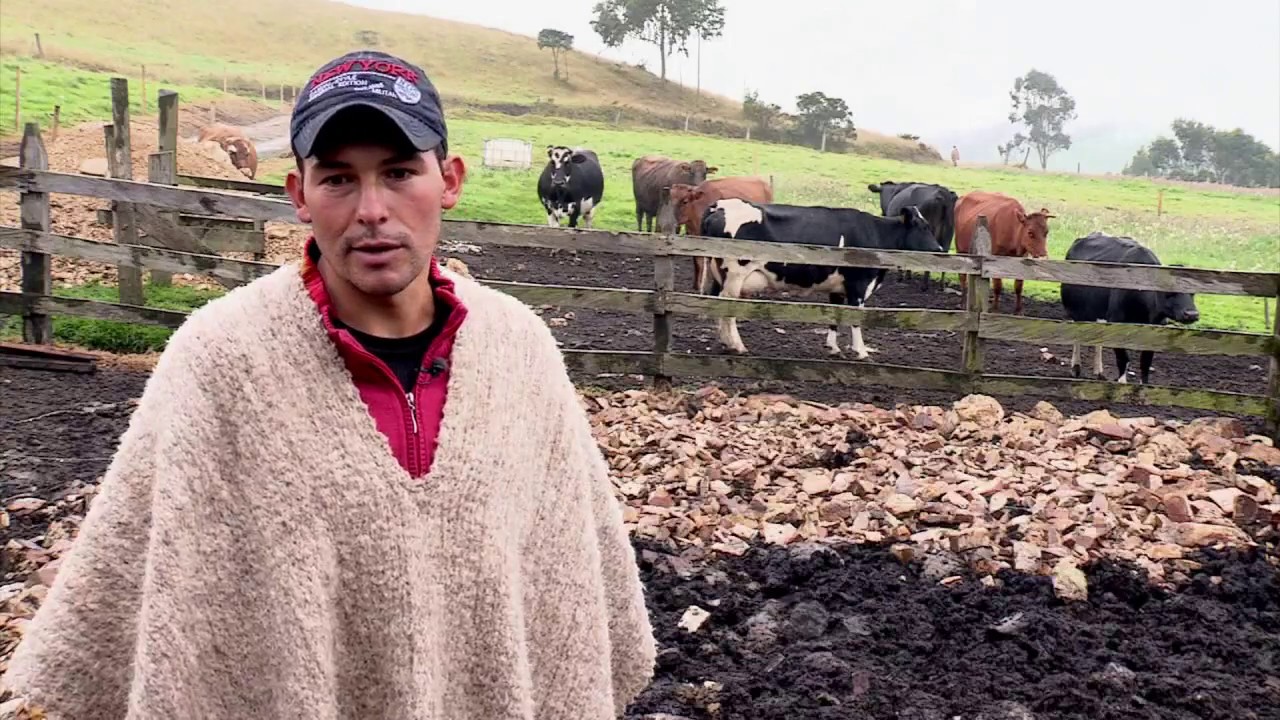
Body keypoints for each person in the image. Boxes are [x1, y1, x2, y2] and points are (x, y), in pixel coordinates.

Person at [1, 49, 657, 719]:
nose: (372, 209)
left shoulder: (520, 351)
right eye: (339, 179)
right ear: (298, 195)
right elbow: (143, 600)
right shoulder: (221, 358)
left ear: (449, 180)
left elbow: (571, 584)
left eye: (399, 173)